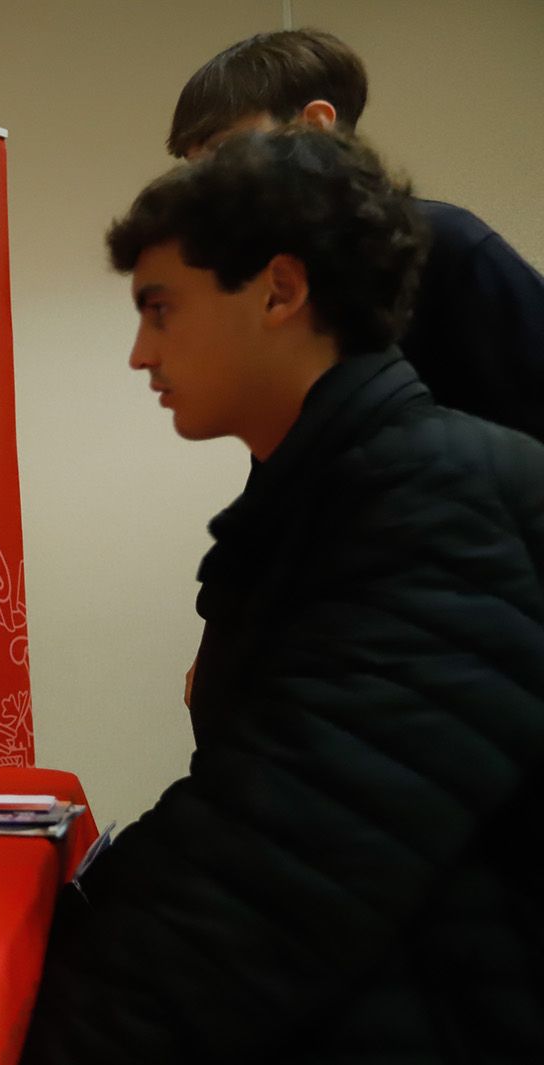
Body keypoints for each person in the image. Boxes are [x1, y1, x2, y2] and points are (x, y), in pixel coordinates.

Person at [20, 128, 544, 1064]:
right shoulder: (339, 487)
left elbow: (270, 894)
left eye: (161, 308)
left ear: (280, 290)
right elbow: (248, 806)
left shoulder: (431, 500)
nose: (140, 353)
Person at [167, 27, 544, 717]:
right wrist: (221, 642)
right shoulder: (284, 295)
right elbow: (280, 487)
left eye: (222, 155)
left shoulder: (451, 251)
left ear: (315, 126)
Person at [167, 27, 544, 446]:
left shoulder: (446, 242)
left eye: (221, 149)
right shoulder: (272, 275)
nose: (201, 183)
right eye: (192, 165)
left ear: (315, 125)